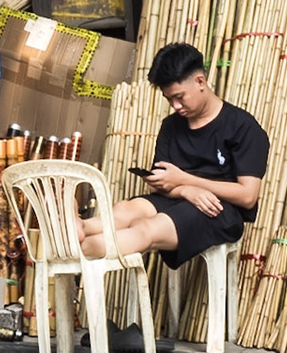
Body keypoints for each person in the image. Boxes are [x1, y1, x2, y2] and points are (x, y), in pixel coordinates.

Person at [82, 41, 268, 263]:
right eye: (169, 99)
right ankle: (82, 227)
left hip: (218, 209)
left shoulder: (242, 126)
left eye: (180, 97)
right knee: (126, 210)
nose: (175, 106)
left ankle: (81, 247)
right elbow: (164, 184)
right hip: (177, 198)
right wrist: (186, 190)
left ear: (200, 81)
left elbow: (247, 196)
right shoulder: (171, 126)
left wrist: (185, 180)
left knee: (147, 228)